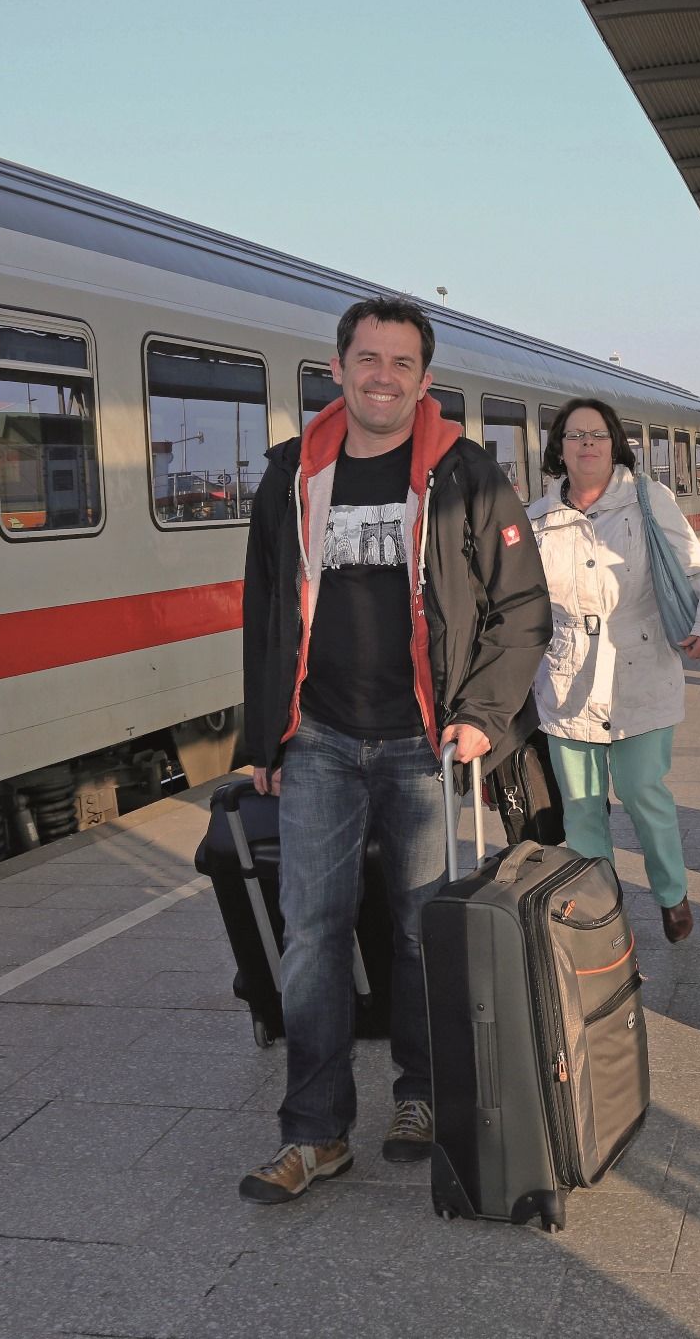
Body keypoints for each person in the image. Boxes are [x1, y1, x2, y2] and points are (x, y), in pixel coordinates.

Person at [237, 296, 550, 1203]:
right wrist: (264, 733)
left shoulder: (465, 473)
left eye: (401, 363)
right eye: (366, 359)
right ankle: (314, 1131)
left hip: (426, 741)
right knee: (310, 938)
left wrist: (483, 715)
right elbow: (263, 607)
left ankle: (419, 1092)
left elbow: (522, 607)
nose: (383, 377)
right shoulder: (291, 473)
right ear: (336, 368)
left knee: (421, 935)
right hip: (321, 738)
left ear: (424, 378)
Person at [529, 397, 700, 944]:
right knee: (582, 810)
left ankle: (671, 892)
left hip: (641, 668)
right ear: (559, 450)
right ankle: (603, 915)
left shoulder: (648, 500)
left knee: (643, 790)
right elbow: (520, 603)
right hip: (566, 677)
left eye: (597, 434)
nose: (587, 444)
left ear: (614, 445)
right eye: (575, 436)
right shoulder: (536, 520)